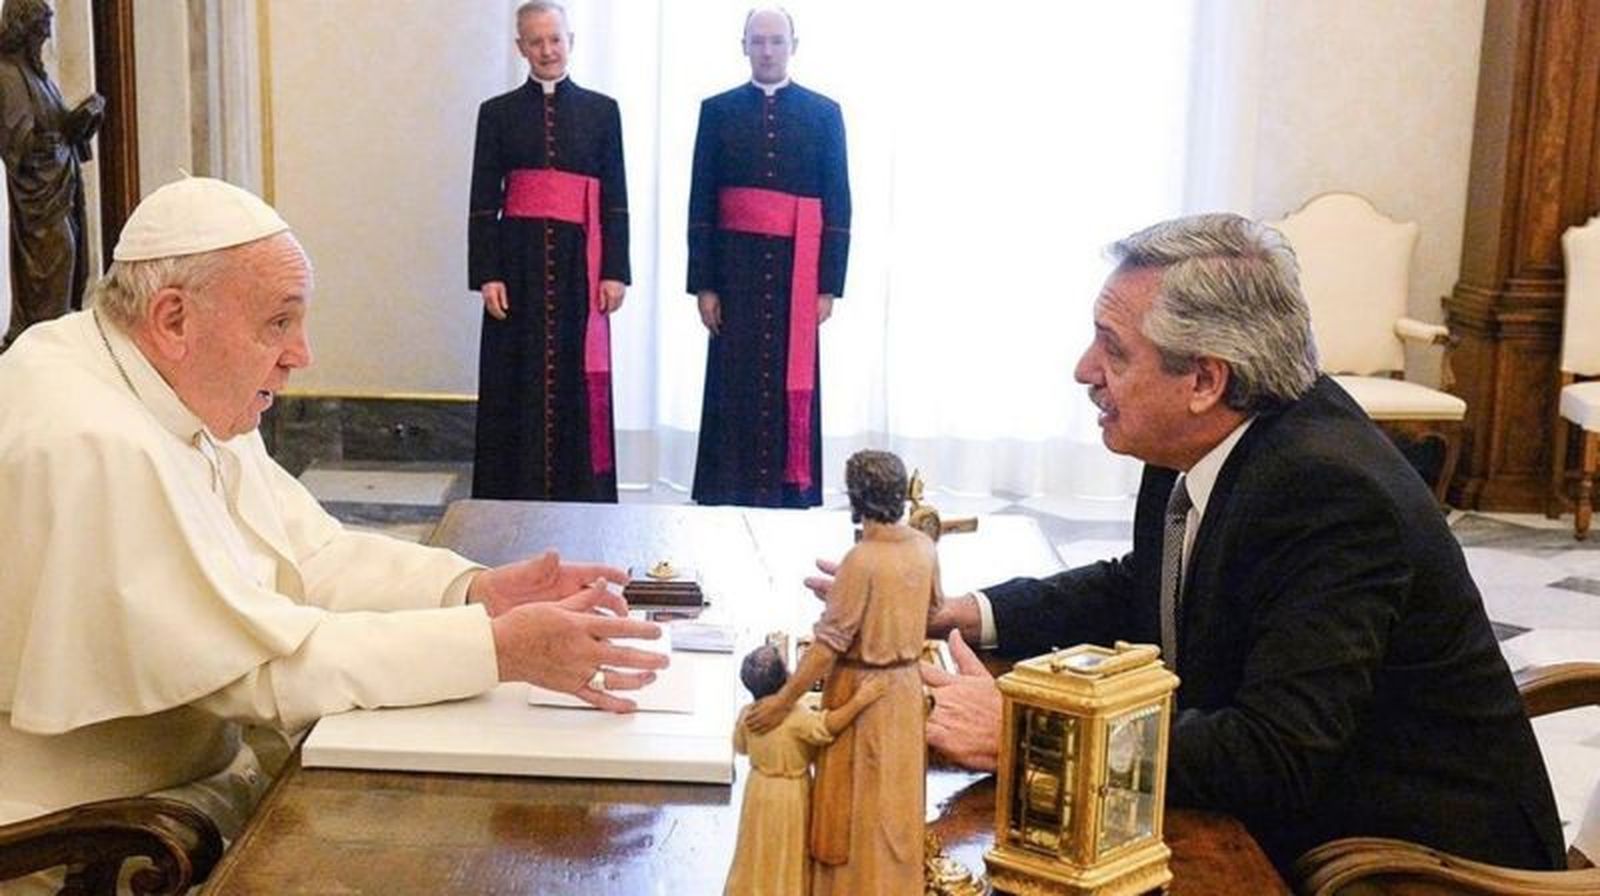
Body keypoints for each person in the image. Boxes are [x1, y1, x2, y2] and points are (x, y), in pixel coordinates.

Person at [811, 214, 1567, 875]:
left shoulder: (1330, 493)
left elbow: (1272, 752)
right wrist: (962, 615)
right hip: (1301, 820)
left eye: (1113, 350)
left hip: (1410, 865)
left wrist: (1025, 732)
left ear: (1204, 379)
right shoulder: (1212, 435)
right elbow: (1147, 584)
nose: (1084, 371)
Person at [0, 176, 666, 891]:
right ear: (172, 318)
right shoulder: (89, 439)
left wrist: (473, 590)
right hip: (95, 839)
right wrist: (495, 650)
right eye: (279, 323)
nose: (301, 354)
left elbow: (308, 554)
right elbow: (258, 672)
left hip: (196, 788)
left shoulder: (168, 378)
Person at [747, 450, 936, 895]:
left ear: (857, 497)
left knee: (855, 814)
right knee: (897, 806)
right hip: (907, 689)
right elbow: (935, 609)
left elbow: (827, 647)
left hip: (861, 689)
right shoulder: (925, 548)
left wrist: (783, 700)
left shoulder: (862, 560)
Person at [687, 6, 850, 508]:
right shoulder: (717, 111)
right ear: (743, 46)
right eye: (757, 41)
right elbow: (701, 201)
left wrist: (827, 284)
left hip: (795, 274)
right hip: (734, 269)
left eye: (776, 41)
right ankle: (725, 489)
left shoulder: (824, 113)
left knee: (788, 377)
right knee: (732, 381)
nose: (767, 51)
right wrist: (705, 284)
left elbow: (839, 202)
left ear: (793, 46)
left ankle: (790, 492)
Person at [468, 0, 629, 501]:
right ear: (521, 48)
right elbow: (482, 199)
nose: (547, 50)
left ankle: (581, 495)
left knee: (577, 383)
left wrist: (615, 271)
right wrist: (487, 273)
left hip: (582, 266)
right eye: (535, 41)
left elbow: (616, 197)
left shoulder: (603, 111)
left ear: (570, 41)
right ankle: (512, 493)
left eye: (554, 39)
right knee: (515, 379)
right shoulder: (496, 114)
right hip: (518, 267)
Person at [724, 644, 885, 896]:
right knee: (786, 848)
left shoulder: (748, 714)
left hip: (757, 788)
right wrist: (860, 699)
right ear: (787, 679)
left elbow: (740, 747)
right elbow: (827, 726)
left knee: (756, 846)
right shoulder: (795, 718)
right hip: (789, 793)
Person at [0, 0, 102, 351]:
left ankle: (58, 348)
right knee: (51, 269)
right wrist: (61, 135)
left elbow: (54, 127)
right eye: (42, 24)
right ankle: (44, 351)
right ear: (24, 26)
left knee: (72, 268)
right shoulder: (9, 75)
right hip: (40, 201)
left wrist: (81, 123)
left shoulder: (38, 76)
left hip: (60, 188)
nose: (47, 33)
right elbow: (19, 144)